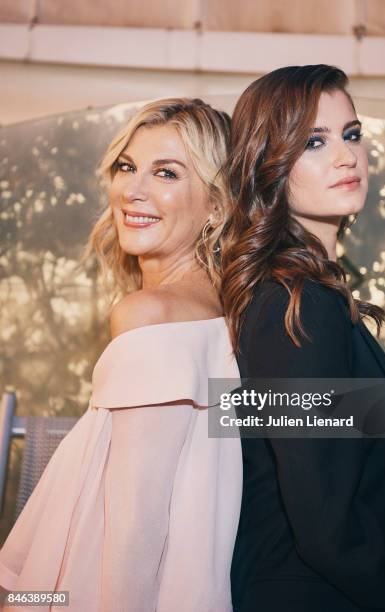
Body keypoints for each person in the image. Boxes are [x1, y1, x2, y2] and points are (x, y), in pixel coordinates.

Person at [0, 98, 242, 611]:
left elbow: (135, 527)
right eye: (127, 167)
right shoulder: (228, 315)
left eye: (167, 173)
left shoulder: (148, 313)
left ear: (218, 205)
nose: (132, 190)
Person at [220, 65, 385, 611]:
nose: (346, 157)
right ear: (267, 165)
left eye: (351, 134)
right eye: (313, 143)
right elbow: (326, 524)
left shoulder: (307, 296)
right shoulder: (295, 305)